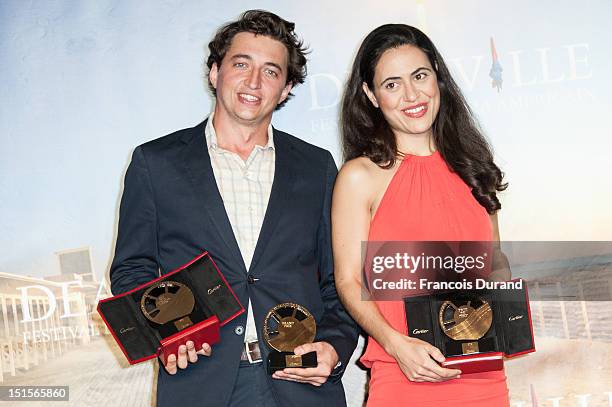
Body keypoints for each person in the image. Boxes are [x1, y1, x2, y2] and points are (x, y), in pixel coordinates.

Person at [110, 10, 358, 407]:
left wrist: (335, 344)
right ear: (215, 72)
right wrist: (166, 334)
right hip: (199, 382)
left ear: (287, 88)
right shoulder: (155, 163)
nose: (253, 82)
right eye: (241, 64)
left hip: (301, 383)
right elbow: (132, 269)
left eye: (271, 71)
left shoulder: (317, 167)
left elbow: (339, 278)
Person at [332, 24, 510, 406]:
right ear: (371, 95)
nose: (411, 95)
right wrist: (396, 345)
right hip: (403, 376)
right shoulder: (359, 177)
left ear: (438, 79)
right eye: (392, 84)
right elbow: (347, 280)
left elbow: (495, 260)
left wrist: (503, 311)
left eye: (419, 76)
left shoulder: (473, 166)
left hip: (482, 376)